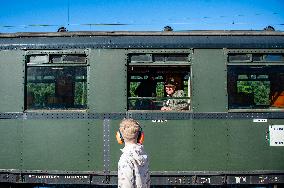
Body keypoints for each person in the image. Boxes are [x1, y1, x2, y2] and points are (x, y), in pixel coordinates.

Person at [117, 119, 150, 188]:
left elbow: (126, 185)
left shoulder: (125, 158)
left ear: (120, 136)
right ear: (141, 136)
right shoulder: (143, 154)